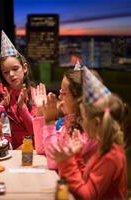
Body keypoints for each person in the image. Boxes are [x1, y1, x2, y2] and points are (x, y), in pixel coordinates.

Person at [51, 67, 127, 199]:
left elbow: (86, 195)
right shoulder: (104, 147)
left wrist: (67, 162)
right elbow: (85, 178)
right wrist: (75, 156)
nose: (82, 122)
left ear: (96, 122)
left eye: (84, 118)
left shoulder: (110, 156)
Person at [0, 31, 39, 149]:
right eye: (6, 72)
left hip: (27, 147)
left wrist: (22, 107)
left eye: (15, 69)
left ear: (24, 68)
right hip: (3, 145)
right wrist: (2, 106)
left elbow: (33, 130)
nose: (11, 75)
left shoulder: (34, 93)